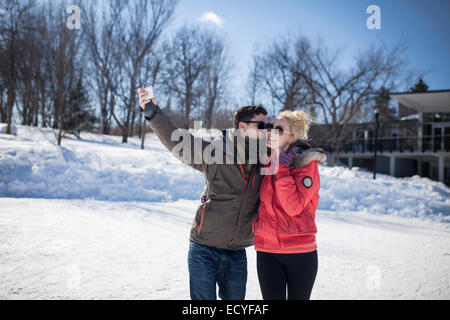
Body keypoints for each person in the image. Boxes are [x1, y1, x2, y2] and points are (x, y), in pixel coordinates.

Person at [137, 88, 268, 300]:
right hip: (204, 249)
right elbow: (179, 142)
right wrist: (153, 113)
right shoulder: (216, 152)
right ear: (242, 127)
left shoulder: (265, 159)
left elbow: (290, 147)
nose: (266, 130)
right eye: (261, 125)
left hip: (237, 251)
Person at [252, 110, 327, 300]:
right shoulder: (266, 161)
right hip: (267, 251)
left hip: (300, 252)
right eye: (271, 127)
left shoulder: (306, 164)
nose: (271, 132)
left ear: (292, 137)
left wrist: (282, 166)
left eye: (279, 130)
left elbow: (292, 206)